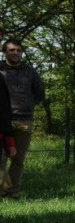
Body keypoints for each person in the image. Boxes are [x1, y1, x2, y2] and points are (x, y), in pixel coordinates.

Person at [0, 39, 45, 199]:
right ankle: (2, 190)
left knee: (18, 159)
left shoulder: (30, 71)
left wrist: (28, 105)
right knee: (1, 158)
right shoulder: (0, 70)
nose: (16, 53)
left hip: (24, 120)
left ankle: (11, 192)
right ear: (4, 52)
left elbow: (40, 93)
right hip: (2, 120)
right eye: (12, 50)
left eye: (19, 50)